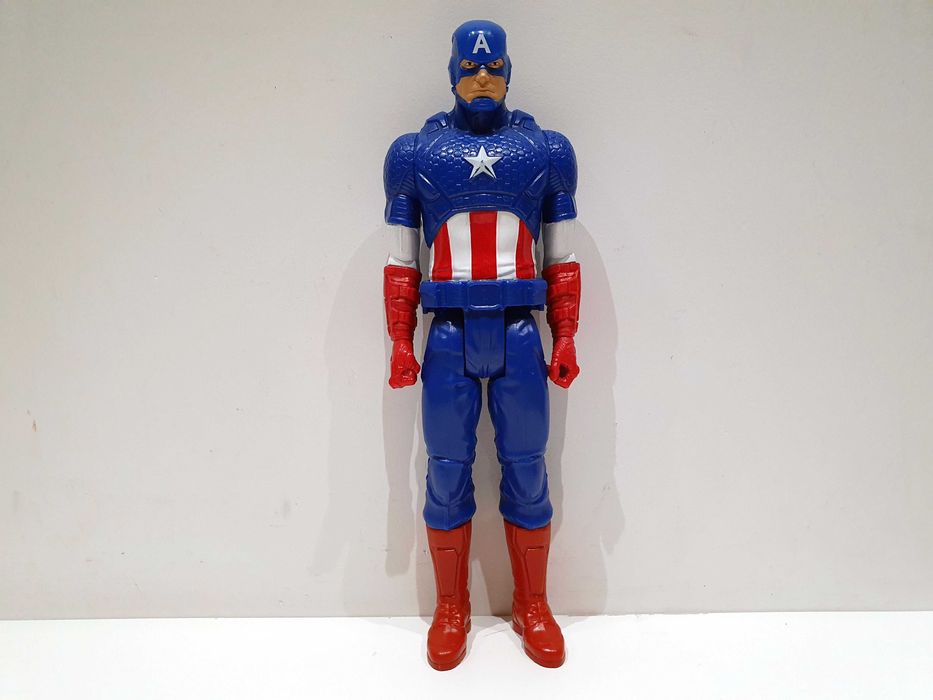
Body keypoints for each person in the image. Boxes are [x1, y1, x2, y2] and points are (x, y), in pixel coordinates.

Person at [381, 19, 582, 670]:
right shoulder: (415, 154)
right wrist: (400, 342)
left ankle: (532, 604)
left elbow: (562, 257)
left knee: (528, 469)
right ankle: (451, 608)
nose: (482, 78)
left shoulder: (544, 151)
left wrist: (566, 335)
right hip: (447, 332)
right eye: (470, 68)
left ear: (509, 72)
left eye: (493, 67)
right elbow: (401, 262)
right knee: (445, 472)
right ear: (450, 73)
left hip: (520, 330)